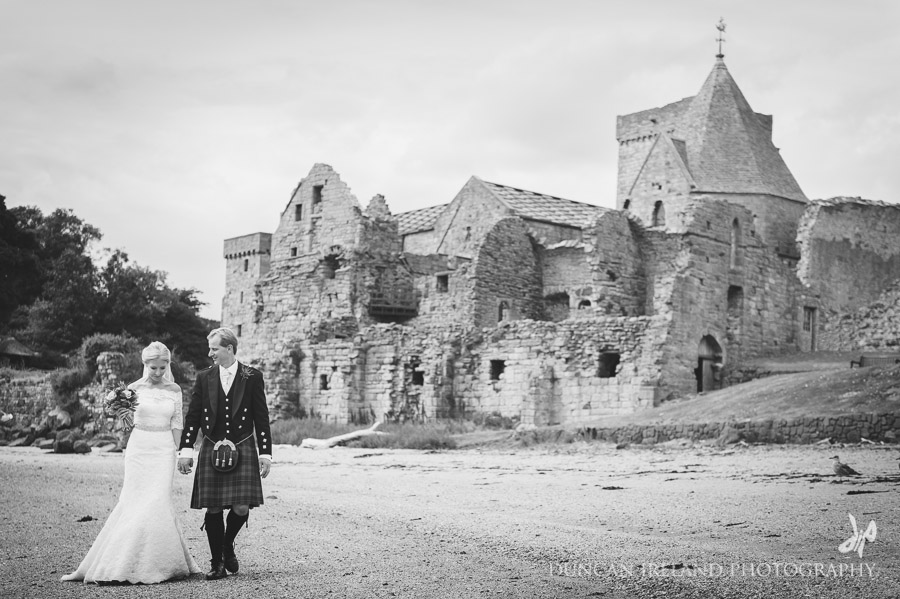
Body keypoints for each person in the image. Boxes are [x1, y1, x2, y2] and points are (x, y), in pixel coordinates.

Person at [62, 341, 201, 584]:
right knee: (133, 501)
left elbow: (176, 424)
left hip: (164, 450)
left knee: (159, 501)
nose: (158, 373)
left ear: (168, 365)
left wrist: (183, 452)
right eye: (153, 368)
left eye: (162, 367)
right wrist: (121, 413)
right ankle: (122, 561)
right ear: (144, 365)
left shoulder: (175, 389)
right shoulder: (132, 389)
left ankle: (158, 562)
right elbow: (125, 423)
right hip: (139, 448)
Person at [177, 327, 272, 580]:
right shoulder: (204, 377)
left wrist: (266, 453)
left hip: (242, 444)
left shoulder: (252, 376)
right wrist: (186, 449)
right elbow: (194, 415)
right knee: (214, 507)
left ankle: (227, 544)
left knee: (241, 507)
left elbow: (262, 418)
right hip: (211, 444)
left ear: (229, 348)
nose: (210, 354)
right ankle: (217, 562)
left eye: (214, 349)